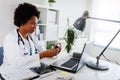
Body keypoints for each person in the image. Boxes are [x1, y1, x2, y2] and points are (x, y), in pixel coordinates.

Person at [0, 2, 61, 79]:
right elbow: (17, 63)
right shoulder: (10, 38)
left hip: (28, 72)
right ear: (22, 22)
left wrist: (52, 51)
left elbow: (40, 49)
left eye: (36, 23)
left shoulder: (31, 36)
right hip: (10, 74)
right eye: (32, 23)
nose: (35, 27)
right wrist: (43, 54)